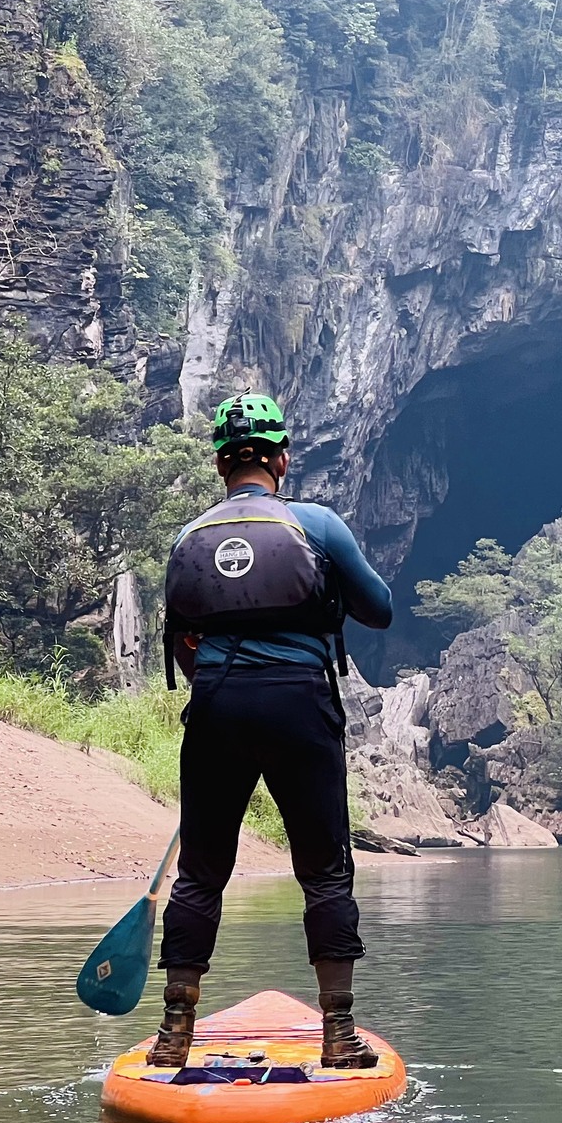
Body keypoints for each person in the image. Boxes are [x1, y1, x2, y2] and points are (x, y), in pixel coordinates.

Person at [149, 393, 394, 1069]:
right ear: (282, 459)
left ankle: (174, 1035)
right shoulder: (315, 523)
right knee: (325, 874)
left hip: (218, 706)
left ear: (220, 465)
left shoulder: (189, 537)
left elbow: (183, 645)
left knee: (200, 875)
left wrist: (226, 687)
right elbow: (381, 610)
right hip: (299, 707)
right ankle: (339, 1036)